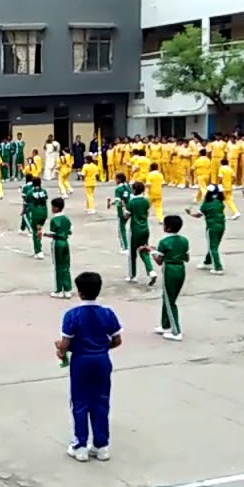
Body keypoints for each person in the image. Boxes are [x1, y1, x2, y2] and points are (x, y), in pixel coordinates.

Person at [55, 271, 122, 462]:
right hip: (102, 360)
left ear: (80, 292)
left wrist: (61, 351)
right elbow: (117, 340)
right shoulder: (108, 313)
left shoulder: (72, 315)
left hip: (81, 361)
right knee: (101, 401)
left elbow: (65, 345)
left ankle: (80, 445)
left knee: (80, 402)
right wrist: (101, 347)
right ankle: (101, 446)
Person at [145, 215, 189, 341]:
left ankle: (176, 331)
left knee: (170, 300)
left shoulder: (164, 242)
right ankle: (165, 325)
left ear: (168, 228)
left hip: (170, 269)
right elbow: (186, 257)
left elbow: (159, 261)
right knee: (168, 297)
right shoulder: (184, 240)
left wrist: (151, 252)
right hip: (181, 268)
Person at [123, 181, 157, 286]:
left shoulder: (131, 202)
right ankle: (151, 271)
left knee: (132, 253)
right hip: (145, 228)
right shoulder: (146, 201)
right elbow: (146, 214)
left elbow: (126, 216)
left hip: (135, 229)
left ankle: (132, 275)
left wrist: (123, 207)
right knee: (144, 250)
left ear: (133, 190)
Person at [187, 184, 226, 275]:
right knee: (214, 245)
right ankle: (207, 262)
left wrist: (190, 214)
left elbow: (198, 215)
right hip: (222, 226)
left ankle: (218, 267)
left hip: (212, 227)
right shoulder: (220, 202)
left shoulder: (206, 203)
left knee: (212, 247)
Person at [44, 197, 72, 298]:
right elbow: (70, 231)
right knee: (66, 266)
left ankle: (59, 290)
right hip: (65, 242)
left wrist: (43, 234)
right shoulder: (66, 219)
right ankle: (67, 289)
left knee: (58, 266)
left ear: (56, 208)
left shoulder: (54, 219)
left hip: (57, 242)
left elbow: (52, 233)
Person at [25, 176, 49, 260]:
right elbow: (46, 198)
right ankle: (39, 244)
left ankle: (38, 251)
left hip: (36, 213)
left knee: (35, 231)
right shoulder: (44, 191)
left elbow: (27, 201)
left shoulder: (30, 192)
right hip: (44, 212)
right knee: (39, 228)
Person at [107, 173, 131, 253]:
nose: (115, 180)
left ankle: (125, 247)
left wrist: (111, 204)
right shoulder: (128, 186)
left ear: (119, 179)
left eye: (116, 179)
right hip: (130, 208)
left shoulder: (118, 189)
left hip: (122, 211)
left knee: (121, 229)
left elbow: (118, 201)